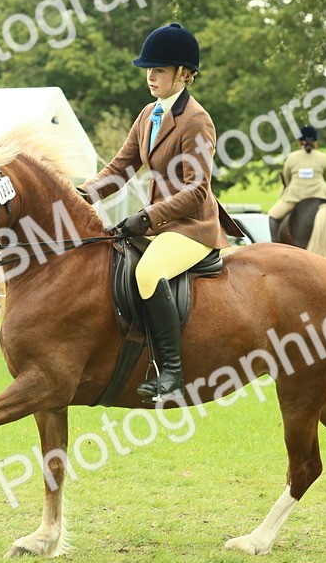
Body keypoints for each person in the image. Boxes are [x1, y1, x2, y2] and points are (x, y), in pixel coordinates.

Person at [79, 22, 239, 400]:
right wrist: (82, 194)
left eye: (160, 69)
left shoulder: (196, 120)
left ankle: (171, 372)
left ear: (184, 74)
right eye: (149, 69)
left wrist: (148, 217)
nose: (150, 76)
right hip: (160, 225)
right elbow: (119, 169)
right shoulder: (149, 114)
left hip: (191, 228)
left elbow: (197, 189)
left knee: (149, 271)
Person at [267, 125, 326, 242]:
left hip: (295, 196)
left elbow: (287, 178)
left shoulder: (291, 157)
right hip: (320, 195)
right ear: (315, 141)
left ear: (300, 141)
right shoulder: (323, 157)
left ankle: (275, 243)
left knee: (273, 216)